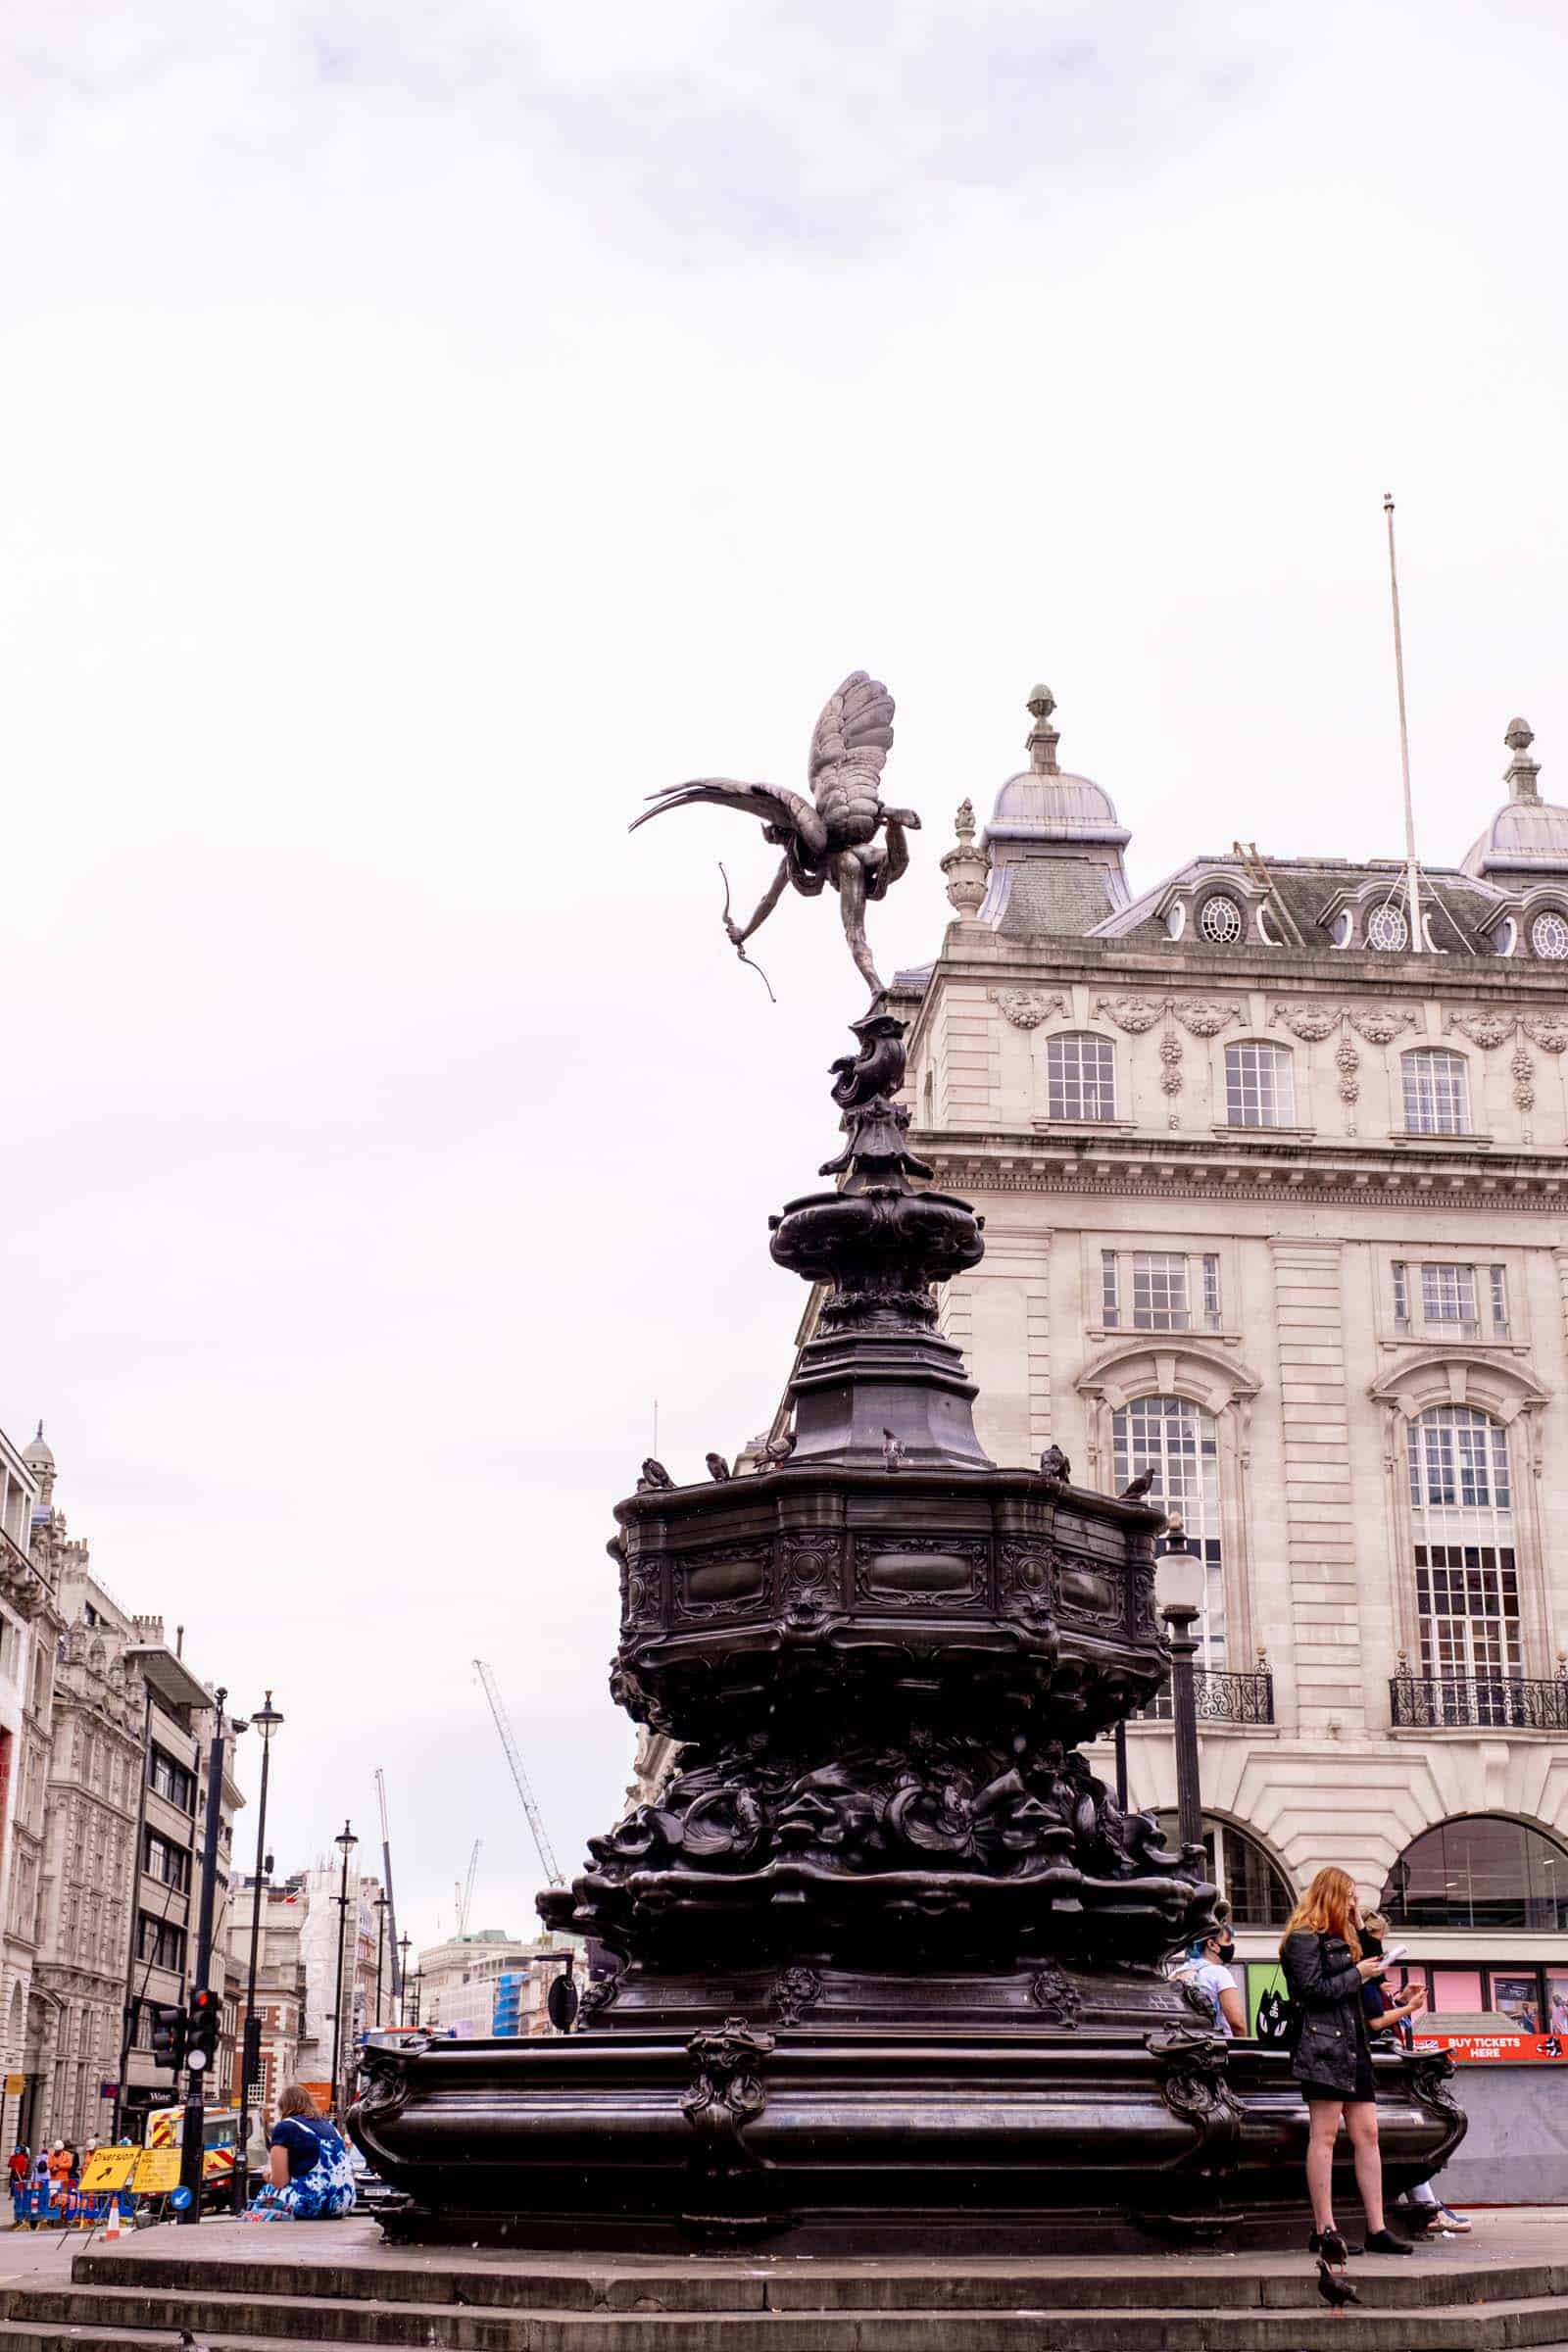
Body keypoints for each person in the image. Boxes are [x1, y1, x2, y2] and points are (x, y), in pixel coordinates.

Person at [1280, 1866, 1413, 2261]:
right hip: (1323, 2046)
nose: (1355, 1903)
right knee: (1323, 2135)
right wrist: (1357, 1972)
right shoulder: (1302, 1939)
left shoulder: (1345, 1935)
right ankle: (1325, 2229)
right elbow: (1313, 1991)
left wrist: (1359, 1929)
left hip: (1354, 2045)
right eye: (1350, 1896)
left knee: (1367, 2133)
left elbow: (1371, 1970)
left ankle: (1377, 2227)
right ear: (1332, 1895)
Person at [1359, 1914, 1471, 2237]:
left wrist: (1401, 2000)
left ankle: (1428, 2204)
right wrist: (1407, 2008)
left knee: (1402, 2140)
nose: (1382, 1951)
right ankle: (1428, 2207)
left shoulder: (1373, 1983)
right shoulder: (1364, 1980)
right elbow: (1375, 2023)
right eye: (1377, 1941)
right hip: (1378, 2071)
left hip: (1384, 2068)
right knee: (1403, 2138)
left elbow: (1379, 2014)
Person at [240, 2084, 357, 2223]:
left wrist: (268, 2175)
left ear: (283, 2106)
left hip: (311, 2202)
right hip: (342, 2203)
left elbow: (280, 2181)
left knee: (266, 2195)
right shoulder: (331, 2127)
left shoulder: (285, 2127)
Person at [1174, 1923, 1248, 2036]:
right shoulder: (1220, 1973)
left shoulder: (1177, 1973)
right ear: (1212, 1944)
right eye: (1227, 1941)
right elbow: (1237, 2023)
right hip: (1217, 2045)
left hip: (1185, 2042)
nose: (1231, 1946)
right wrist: (1243, 2048)